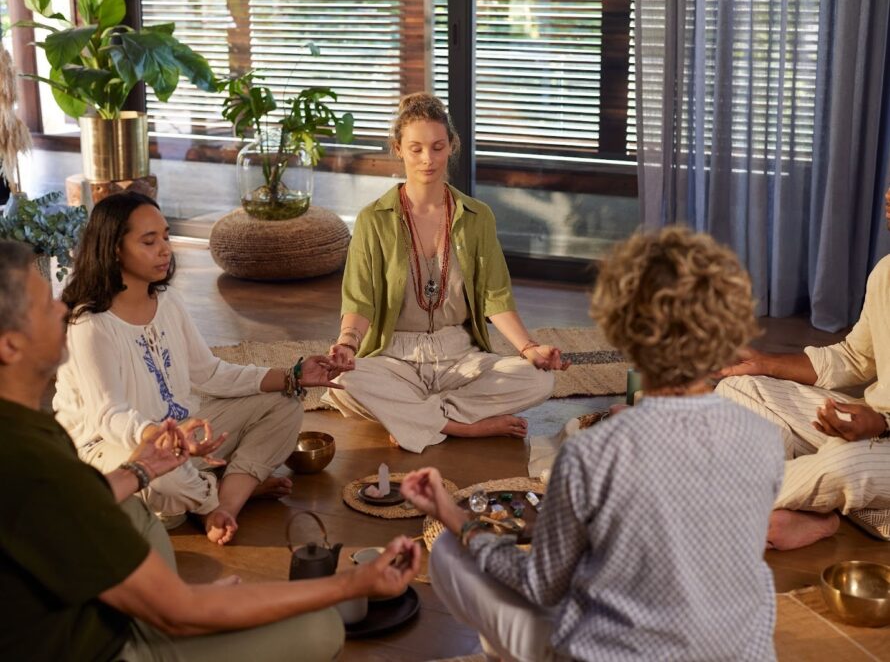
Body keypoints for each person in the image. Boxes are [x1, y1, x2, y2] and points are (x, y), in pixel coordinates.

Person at [0, 238, 420, 661]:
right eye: (43, 306)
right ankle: (205, 515)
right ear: (9, 345)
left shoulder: (28, 431)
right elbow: (179, 615)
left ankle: (206, 513)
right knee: (321, 626)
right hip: (113, 648)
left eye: (165, 235)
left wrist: (143, 470)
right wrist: (354, 584)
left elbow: (74, 505)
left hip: (122, 605)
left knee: (134, 508)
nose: (60, 308)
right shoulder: (34, 460)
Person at [402, 227, 784, 661]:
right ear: (728, 332)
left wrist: (457, 519)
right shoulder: (763, 438)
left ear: (624, 333)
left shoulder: (593, 454)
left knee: (451, 552)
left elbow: (541, 586)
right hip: (737, 652)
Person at [53, 191, 349, 545]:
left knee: (284, 404)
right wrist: (165, 443)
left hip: (180, 433)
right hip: (110, 446)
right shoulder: (90, 325)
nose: (165, 248)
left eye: (165, 236)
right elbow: (110, 416)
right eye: (149, 241)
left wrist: (292, 376)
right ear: (114, 249)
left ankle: (222, 505)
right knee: (166, 480)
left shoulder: (167, 302)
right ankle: (216, 497)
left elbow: (209, 373)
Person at [325, 92, 568, 452]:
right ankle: (463, 426)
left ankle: (416, 420)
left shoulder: (477, 216)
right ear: (398, 148)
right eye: (416, 148)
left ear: (452, 145)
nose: (428, 159)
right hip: (395, 356)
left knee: (539, 382)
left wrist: (530, 349)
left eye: (438, 147)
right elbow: (360, 302)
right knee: (342, 382)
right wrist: (347, 344)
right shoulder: (372, 220)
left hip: (460, 356)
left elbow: (495, 298)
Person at [716, 187, 890, 550]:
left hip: (872, 441)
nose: (888, 197)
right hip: (871, 430)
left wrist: (884, 424)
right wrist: (766, 364)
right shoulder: (886, 274)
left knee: (845, 463)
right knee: (741, 387)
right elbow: (855, 358)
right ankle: (807, 507)